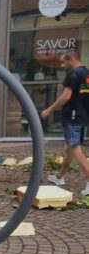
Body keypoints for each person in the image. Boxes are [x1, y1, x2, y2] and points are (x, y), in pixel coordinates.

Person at [41, 51, 89, 196]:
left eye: (63, 62)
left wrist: (49, 110)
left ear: (71, 59)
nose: (62, 65)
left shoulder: (73, 73)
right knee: (70, 147)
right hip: (83, 115)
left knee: (75, 149)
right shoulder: (86, 73)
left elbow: (66, 96)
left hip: (72, 115)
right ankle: (59, 177)